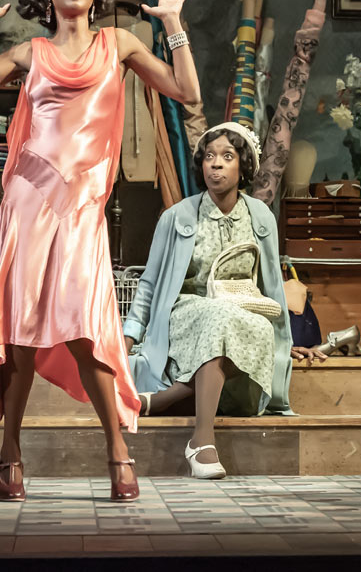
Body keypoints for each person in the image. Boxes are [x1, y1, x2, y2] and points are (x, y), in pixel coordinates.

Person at [0, 0, 202, 502]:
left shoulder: (120, 43)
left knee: (87, 328)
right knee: (22, 335)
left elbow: (187, 92)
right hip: (28, 203)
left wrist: (174, 26)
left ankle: (117, 450)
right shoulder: (30, 54)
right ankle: (9, 452)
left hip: (82, 209)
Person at [123, 122, 326, 480]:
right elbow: (150, 283)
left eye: (227, 157)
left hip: (244, 315)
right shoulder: (176, 217)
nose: (216, 164)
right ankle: (202, 440)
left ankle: (166, 399)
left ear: (243, 166)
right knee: (218, 316)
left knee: (242, 323)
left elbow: (272, 288)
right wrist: (128, 337)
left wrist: (286, 342)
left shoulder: (260, 215)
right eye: (210, 157)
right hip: (186, 314)